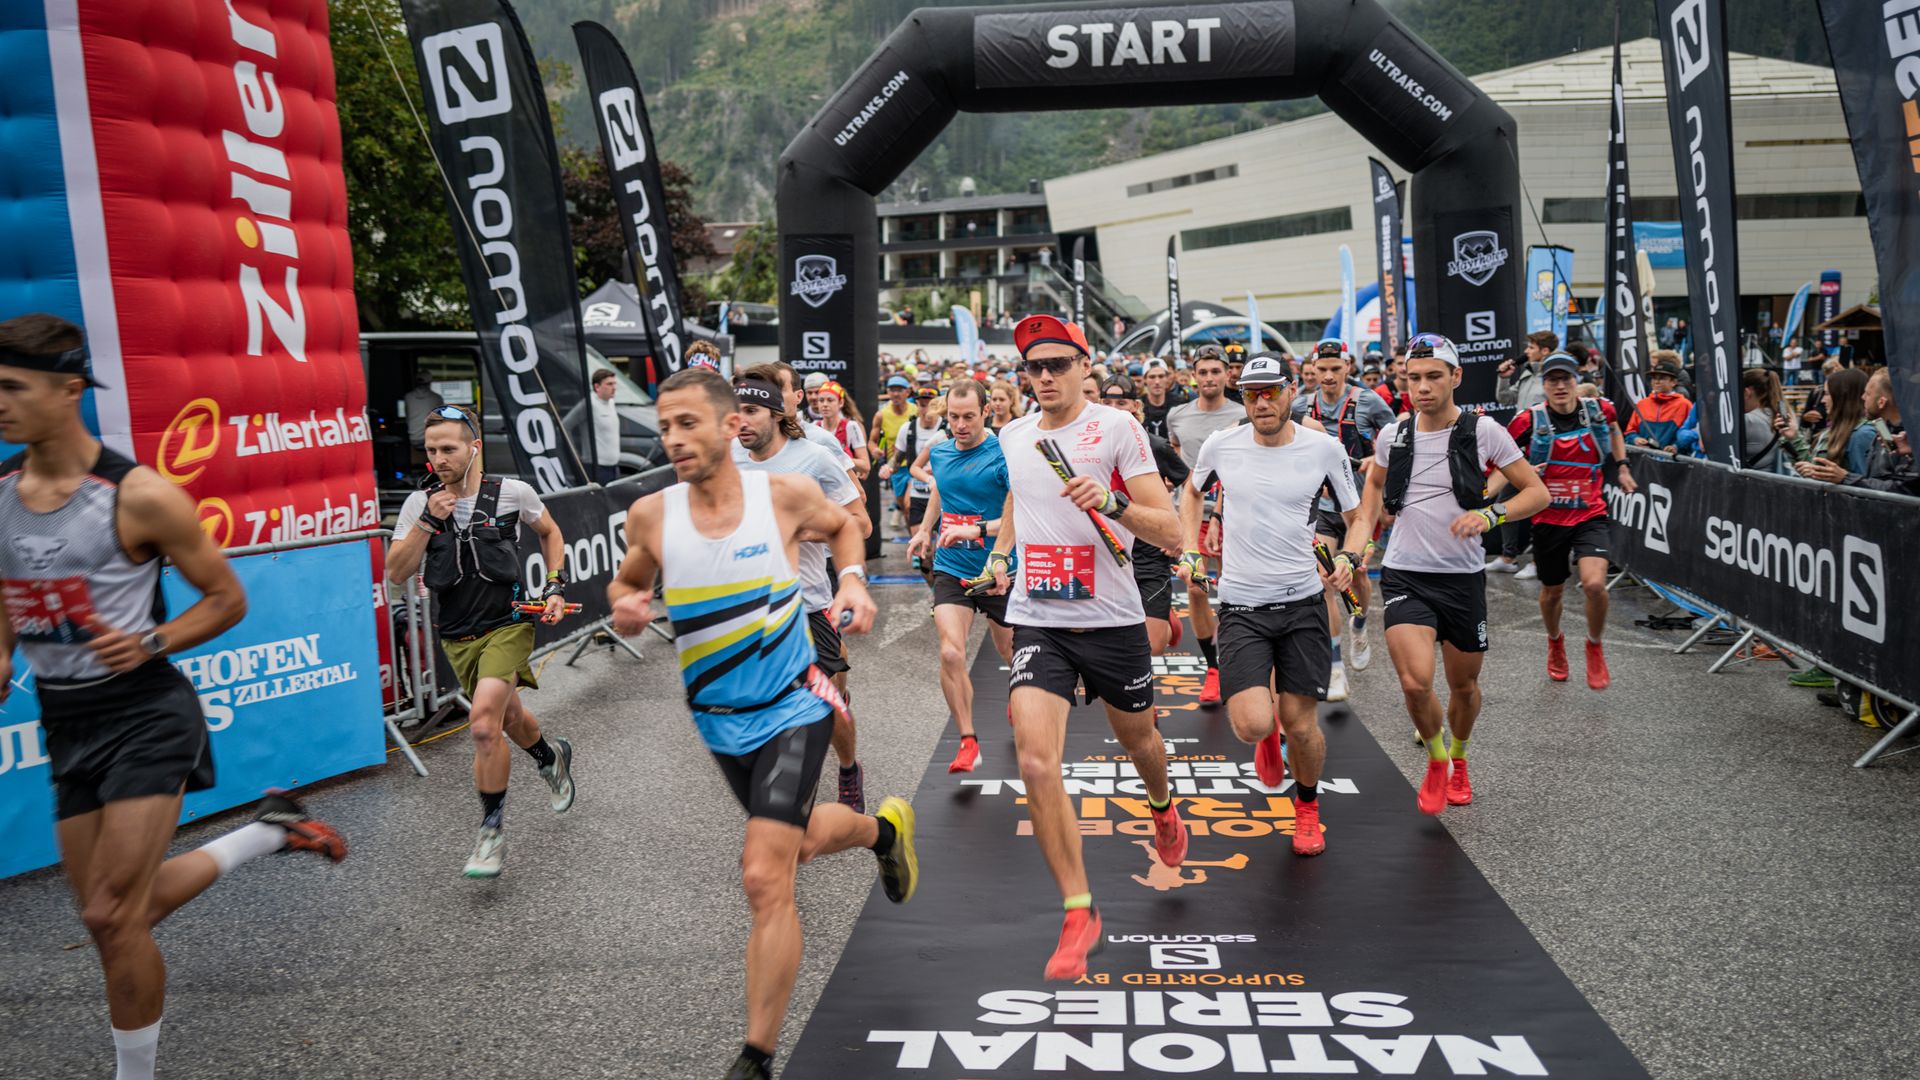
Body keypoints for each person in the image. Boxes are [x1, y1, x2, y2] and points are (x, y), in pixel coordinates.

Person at [0, 314, 346, 1080]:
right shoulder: (1, 493)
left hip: (145, 712)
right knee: (117, 917)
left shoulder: (140, 496)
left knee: (110, 913)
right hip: (66, 718)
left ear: (69, 390)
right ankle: (267, 833)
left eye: (13, 388)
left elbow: (226, 599)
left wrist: (151, 641)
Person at [607, 368, 913, 1080]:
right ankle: (883, 832)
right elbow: (628, 578)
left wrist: (852, 580)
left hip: (794, 701)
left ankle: (756, 1057)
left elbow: (846, 525)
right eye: (665, 426)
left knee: (763, 875)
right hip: (718, 719)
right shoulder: (651, 514)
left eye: (688, 423)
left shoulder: (781, 495)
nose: (674, 438)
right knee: (796, 846)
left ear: (728, 426)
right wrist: (626, 601)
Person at [982, 314, 1185, 981]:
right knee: (1036, 761)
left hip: (1113, 621)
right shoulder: (1014, 435)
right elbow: (1020, 498)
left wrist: (1114, 504)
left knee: (1141, 743)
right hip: (1039, 619)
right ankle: (1078, 910)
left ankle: (1162, 807)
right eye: (1034, 367)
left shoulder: (1118, 429)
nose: (1045, 377)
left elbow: (1173, 533)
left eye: (1058, 364)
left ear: (1084, 366)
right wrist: (1002, 553)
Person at [1343, 333, 1549, 815]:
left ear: (1456, 376)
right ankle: (1437, 759)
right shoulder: (1393, 435)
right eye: (1413, 378)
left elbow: (1536, 493)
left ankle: (1459, 756)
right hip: (1405, 574)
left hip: (1461, 578)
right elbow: (1373, 489)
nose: (1422, 387)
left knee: (1464, 687)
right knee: (1415, 683)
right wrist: (1360, 542)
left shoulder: (1484, 431)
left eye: (1433, 376)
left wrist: (1490, 516)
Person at [1178, 353, 1357, 855]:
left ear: (1291, 391)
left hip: (1302, 604)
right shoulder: (1222, 444)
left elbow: (1357, 513)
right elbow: (1191, 493)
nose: (1261, 403)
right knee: (1253, 723)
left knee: (1301, 725)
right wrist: (1190, 547)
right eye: (1252, 394)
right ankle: (1266, 734)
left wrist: (1350, 555)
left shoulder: (1323, 448)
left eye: (1271, 392)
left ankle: (1307, 808)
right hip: (1242, 606)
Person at [388, 405, 576, 877]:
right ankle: (550, 757)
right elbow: (396, 572)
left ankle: (490, 832)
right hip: (458, 635)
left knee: (482, 725)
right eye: (431, 450)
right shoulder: (419, 503)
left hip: (507, 624)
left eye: (448, 449)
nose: (439, 459)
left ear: (474, 448)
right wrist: (427, 523)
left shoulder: (512, 493)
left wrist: (554, 585)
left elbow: (551, 532)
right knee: (507, 717)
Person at [732, 372, 874, 811]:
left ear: (777, 413)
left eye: (751, 411)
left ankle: (847, 768)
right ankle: (786, 799)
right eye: (735, 412)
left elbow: (860, 523)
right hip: (747, 609)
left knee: (825, 708)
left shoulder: (814, 456)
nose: (740, 421)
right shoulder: (726, 458)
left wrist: (795, 531)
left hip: (807, 604)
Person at [1500, 353, 1636, 690]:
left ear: (1576, 381)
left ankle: (1594, 645)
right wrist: (1523, 473)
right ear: (1544, 385)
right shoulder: (1528, 420)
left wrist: (1622, 466)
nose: (1560, 386)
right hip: (1549, 518)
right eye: (1552, 380)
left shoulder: (1600, 409)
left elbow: (1615, 429)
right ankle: (1555, 642)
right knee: (1552, 592)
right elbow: (1502, 456)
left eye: (1566, 379)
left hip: (1590, 513)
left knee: (1594, 585)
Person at [909, 380, 1014, 773]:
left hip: (999, 567)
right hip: (952, 566)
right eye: (953, 417)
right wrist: (925, 529)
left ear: (986, 411)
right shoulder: (940, 451)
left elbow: (1020, 513)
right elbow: (941, 490)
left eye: (969, 416)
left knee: (1011, 652)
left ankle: (1018, 690)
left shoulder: (1003, 453)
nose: (960, 425)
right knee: (951, 652)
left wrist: (976, 530)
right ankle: (968, 740)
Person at [1294, 339, 1396, 698]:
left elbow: (1396, 440)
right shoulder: (1300, 406)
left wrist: (1374, 459)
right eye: (1321, 369)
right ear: (1312, 370)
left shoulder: (1368, 401)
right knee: (1324, 581)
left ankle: (1360, 624)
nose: (1328, 376)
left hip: (1360, 508)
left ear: (1347, 368)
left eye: (1335, 369)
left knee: (1359, 575)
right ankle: (1335, 666)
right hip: (1322, 509)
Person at [1164, 346, 1244, 704]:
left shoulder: (1242, 414)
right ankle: (1213, 668)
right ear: (1193, 375)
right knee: (1196, 588)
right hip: (1192, 513)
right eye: (1203, 371)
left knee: (1232, 592)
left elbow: (1238, 468)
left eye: (1216, 371)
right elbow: (1177, 459)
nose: (1209, 378)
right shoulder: (1177, 415)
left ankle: (1234, 662)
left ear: (1227, 374)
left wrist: (1219, 516)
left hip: (1236, 513)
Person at [1101, 373, 1191, 654]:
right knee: (1111, 639)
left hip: (1149, 549)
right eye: (1107, 402)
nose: (1114, 409)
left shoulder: (1154, 445)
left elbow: (1189, 483)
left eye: (1122, 402)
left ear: (1135, 406)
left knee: (1153, 646)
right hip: (1108, 548)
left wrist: (1181, 534)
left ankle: (1167, 623)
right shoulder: (1089, 445)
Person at [1786, 368, 1874, 478]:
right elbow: (1816, 464)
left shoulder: (1863, 434)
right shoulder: (1835, 429)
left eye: (1827, 394)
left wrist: (1842, 478)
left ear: (1842, 397)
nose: (1822, 400)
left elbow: (1867, 484)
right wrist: (1794, 437)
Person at [1626, 356, 1694, 452]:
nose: (1657, 382)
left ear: (1674, 382)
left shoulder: (1685, 405)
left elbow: (1691, 432)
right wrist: (1635, 439)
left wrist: (1676, 446)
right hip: (1644, 458)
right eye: (1654, 378)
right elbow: (1630, 431)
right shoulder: (1642, 404)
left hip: (1672, 460)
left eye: (1662, 378)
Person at [874, 374, 918, 524]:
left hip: (916, 465)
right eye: (892, 390)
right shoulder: (881, 415)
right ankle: (913, 535)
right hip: (896, 468)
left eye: (900, 390)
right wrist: (875, 450)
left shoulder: (916, 411)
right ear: (887, 392)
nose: (896, 394)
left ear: (908, 392)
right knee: (905, 509)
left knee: (910, 505)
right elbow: (872, 442)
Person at [810, 380, 870, 480]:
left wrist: (839, 458)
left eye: (830, 400)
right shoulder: (814, 427)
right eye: (821, 400)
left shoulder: (851, 426)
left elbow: (865, 466)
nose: (825, 404)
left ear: (841, 402)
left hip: (845, 484)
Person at [1740, 368, 1786, 473]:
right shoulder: (1780, 415)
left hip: (1753, 481)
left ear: (1747, 393)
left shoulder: (1748, 420)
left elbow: (1707, 446)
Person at [1495, 330, 1555, 412]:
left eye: (1531, 348)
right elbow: (1505, 399)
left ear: (1545, 351)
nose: (1526, 351)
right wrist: (1504, 378)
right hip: (1522, 420)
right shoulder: (1528, 373)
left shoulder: (1554, 377)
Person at [1138, 356, 1188, 440]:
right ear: (1145, 379)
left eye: (1161, 376)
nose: (1157, 382)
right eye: (1152, 377)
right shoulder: (1138, 406)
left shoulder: (1180, 403)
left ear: (1167, 378)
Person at [403, 370, 445, 465]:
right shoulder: (437, 398)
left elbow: (407, 417)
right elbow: (441, 420)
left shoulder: (408, 397)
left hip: (414, 440)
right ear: (430, 382)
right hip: (432, 439)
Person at [590, 366, 622, 484]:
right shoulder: (589, 404)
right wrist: (578, 453)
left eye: (614, 384)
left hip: (615, 466)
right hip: (598, 468)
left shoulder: (611, 402)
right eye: (609, 384)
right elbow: (567, 425)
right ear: (597, 387)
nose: (614, 388)